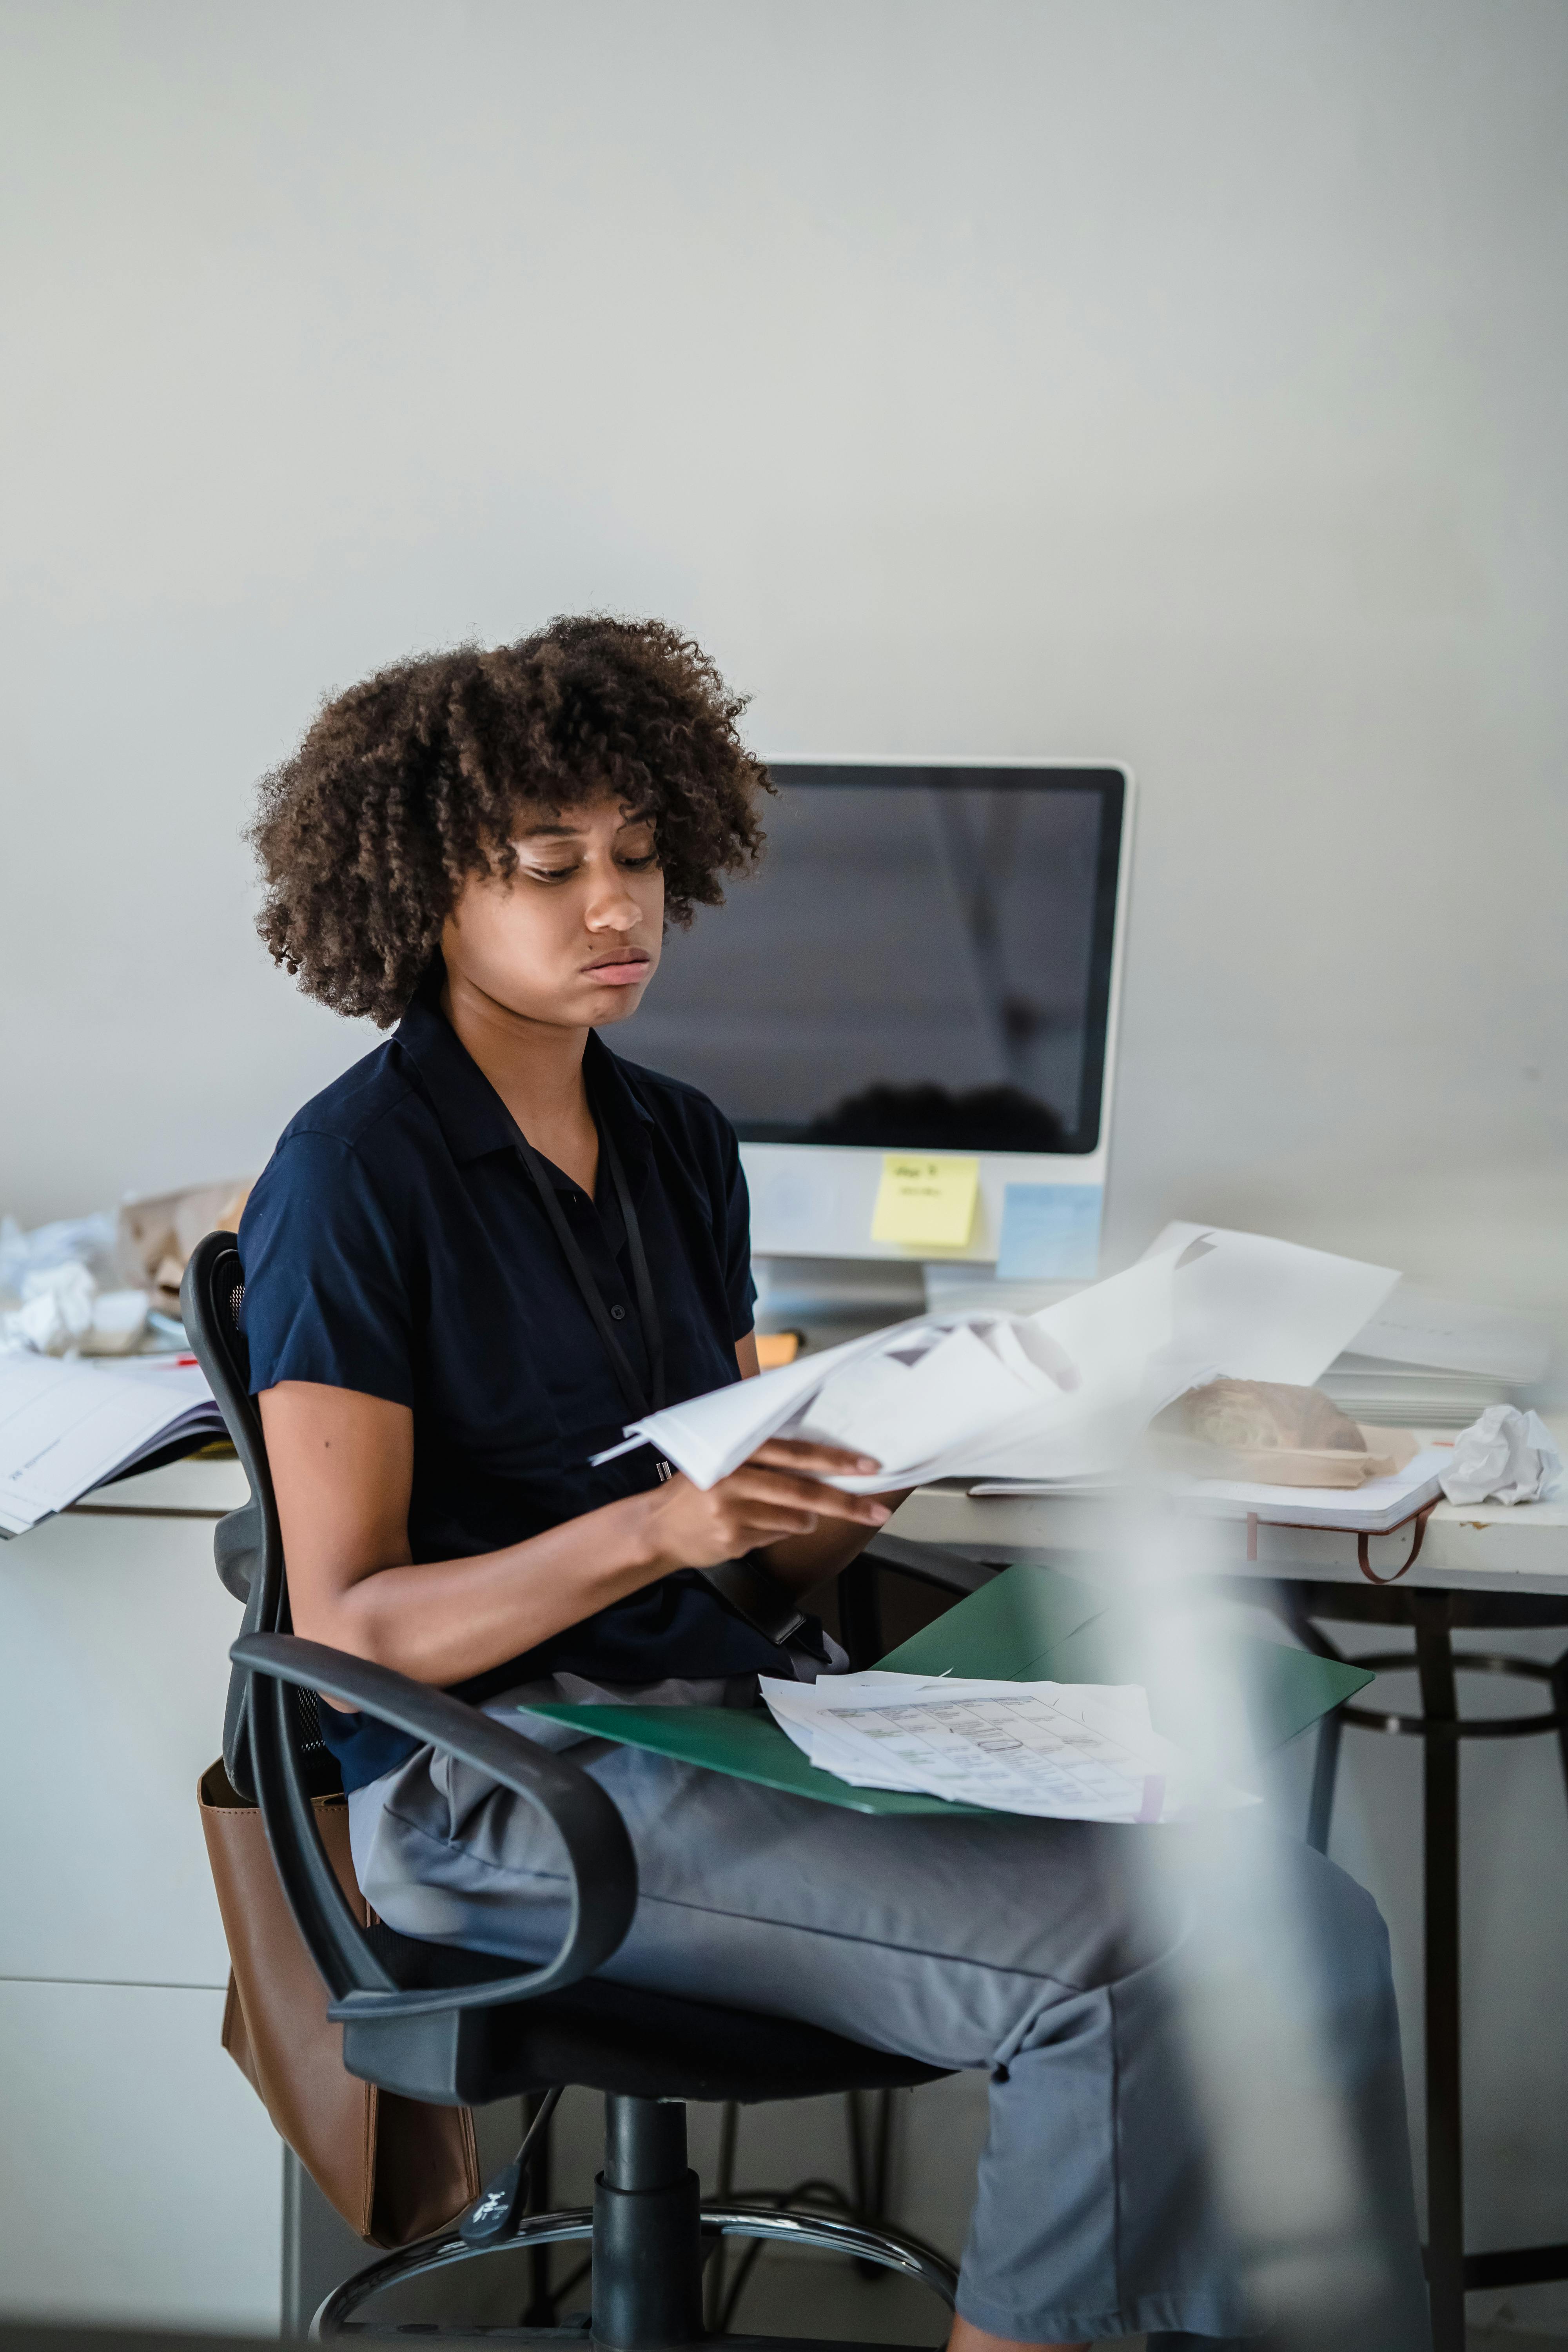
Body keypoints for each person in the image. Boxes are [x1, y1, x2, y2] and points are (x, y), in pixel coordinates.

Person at [238, 615, 1431, 2351]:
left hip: (718, 1718)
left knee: (1292, 1910)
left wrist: (796, 1521)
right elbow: (351, 1621)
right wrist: (663, 1522)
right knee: (1147, 1961)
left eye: (641, 858)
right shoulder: (351, 1176)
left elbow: (722, 1571)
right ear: (428, 884)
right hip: (502, 1793)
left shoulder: (674, 1143)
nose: (615, 908)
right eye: (549, 866)